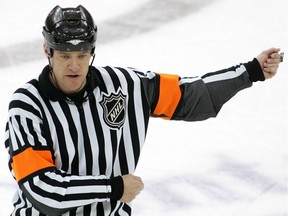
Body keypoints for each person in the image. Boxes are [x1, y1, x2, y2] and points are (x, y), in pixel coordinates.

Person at [4, 4, 283, 216]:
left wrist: (251, 71)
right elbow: (42, 189)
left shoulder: (125, 87)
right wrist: (113, 187)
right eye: (65, 55)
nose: (74, 66)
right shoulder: (27, 106)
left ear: (92, 52)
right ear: (47, 52)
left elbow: (189, 94)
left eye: (82, 55)